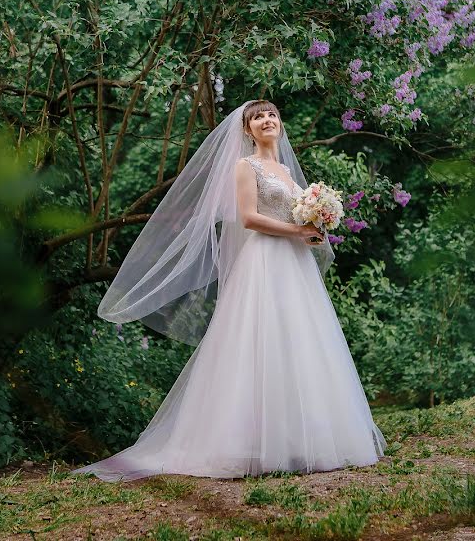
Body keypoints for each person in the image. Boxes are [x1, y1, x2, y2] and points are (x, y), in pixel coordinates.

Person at [71, 99, 387, 481]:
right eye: (257, 117)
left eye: (271, 113)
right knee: (258, 343)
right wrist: (296, 230)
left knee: (298, 342)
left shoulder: (287, 171)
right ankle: (249, 444)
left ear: (280, 122)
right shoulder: (245, 166)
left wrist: (310, 232)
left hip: (293, 263)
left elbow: (292, 217)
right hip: (264, 262)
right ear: (247, 130)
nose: (266, 120)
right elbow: (250, 218)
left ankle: (299, 441)